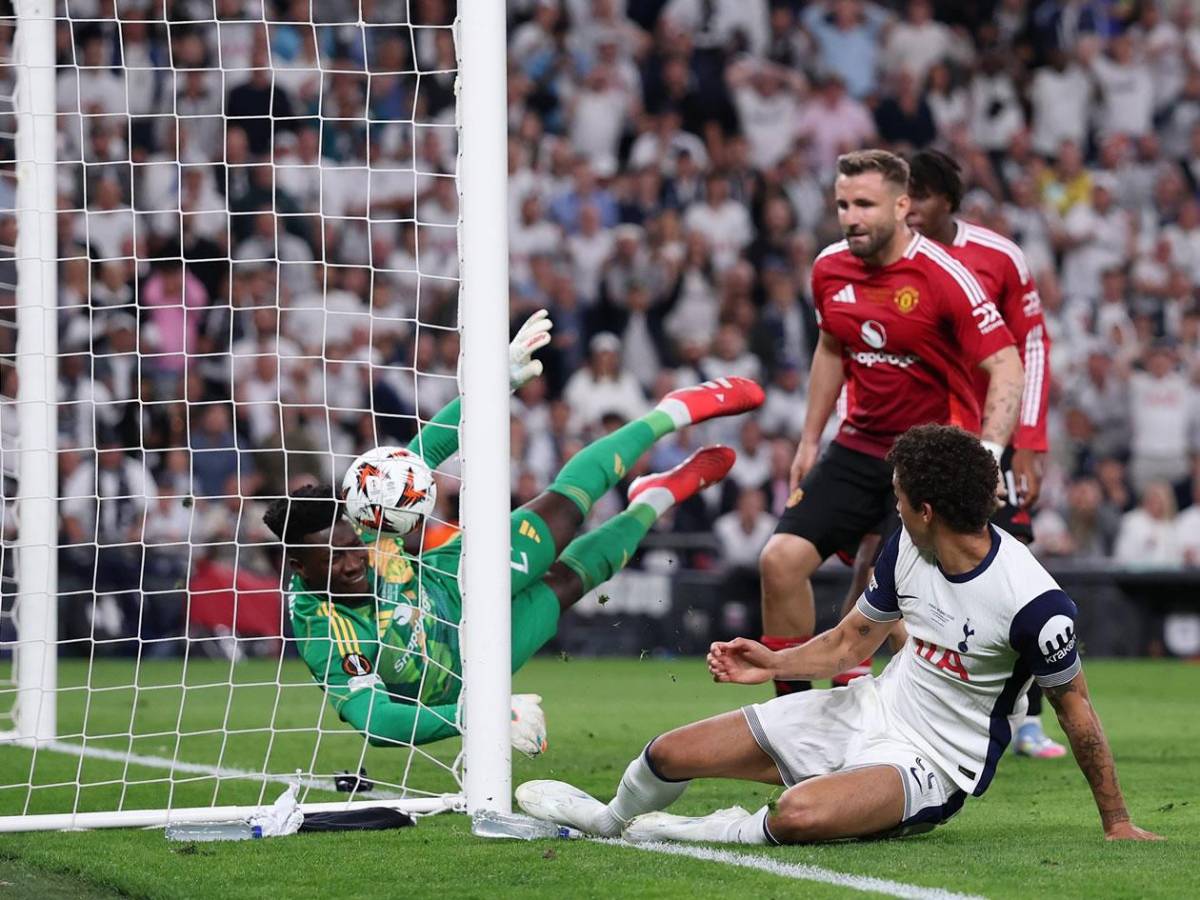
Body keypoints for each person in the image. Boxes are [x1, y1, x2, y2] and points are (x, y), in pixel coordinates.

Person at [516, 425, 1163, 845]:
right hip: (866, 709)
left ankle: (677, 831)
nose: (894, 503)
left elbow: (1076, 711)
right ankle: (607, 821)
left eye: (899, 495)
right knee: (667, 753)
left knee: (796, 816)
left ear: (927, 509)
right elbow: (851, 642)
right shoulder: (908, 546)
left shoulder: (1035, 603)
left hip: (930, 766)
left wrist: (1117, 822)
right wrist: (772, 659)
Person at [262, 311, 764, 750]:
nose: (353, 563)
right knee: (567, 584)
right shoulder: (322, 625)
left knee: (564, 514)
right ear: (298, 567)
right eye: (334, 560)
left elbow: (415, 459)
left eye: (352, 548)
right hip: (465, 668)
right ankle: (655, 498)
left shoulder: (363, 516)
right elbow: (374, 720)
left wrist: (493, 384)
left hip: (449, 577)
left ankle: (670, 411)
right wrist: (473, 716)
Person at [758, 149, 1024, 697]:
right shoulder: (828, 269)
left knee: (903, 611)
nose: (851, 217)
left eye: (865, 205)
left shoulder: (946, 276)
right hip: (856, 445)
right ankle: (793, 719)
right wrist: (810, 440)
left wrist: (989, 457)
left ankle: (919, 745)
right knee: (779, 561)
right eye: (843, 204)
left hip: (929, 457)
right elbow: (831, 348)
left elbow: (1007, 366)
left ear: (903, 206)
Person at [836, 148, 1063, 758]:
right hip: (918, 442)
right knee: (887, 554)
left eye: (922, 197)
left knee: (1007, 559)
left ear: (942, 202)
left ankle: (1029, 716)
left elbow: (1031, 348)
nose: (910, 209)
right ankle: (897, 685)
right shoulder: (881, 265)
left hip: (988, 438)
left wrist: (1027, 445)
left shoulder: (997, 257)